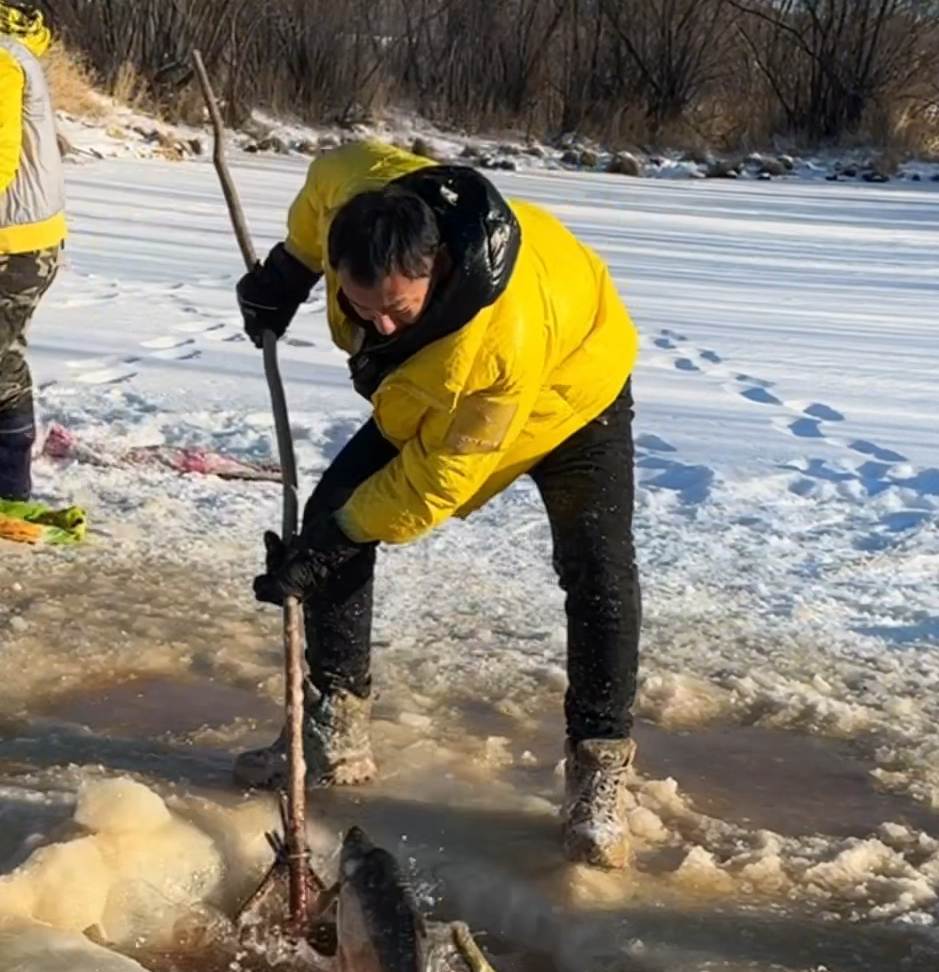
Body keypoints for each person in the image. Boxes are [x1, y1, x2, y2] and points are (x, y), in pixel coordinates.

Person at [232, 140, 640, 868]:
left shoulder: (498, 344)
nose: (379, 327)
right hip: (434, 395)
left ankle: (599, 768)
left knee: (596, 567)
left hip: (577, 392)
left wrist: (335, 543)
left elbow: (433, 482)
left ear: (438, 268)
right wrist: (289, 272)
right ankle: (336, 730)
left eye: (396, 310)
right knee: (331, 520)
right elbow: (324, 184)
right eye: (362, 308)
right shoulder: (362, 191)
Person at [0, 0, 64, 500]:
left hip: (14, 245)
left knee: (1, 363)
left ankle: (10, 490)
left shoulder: (2, 58)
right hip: (22, 237)